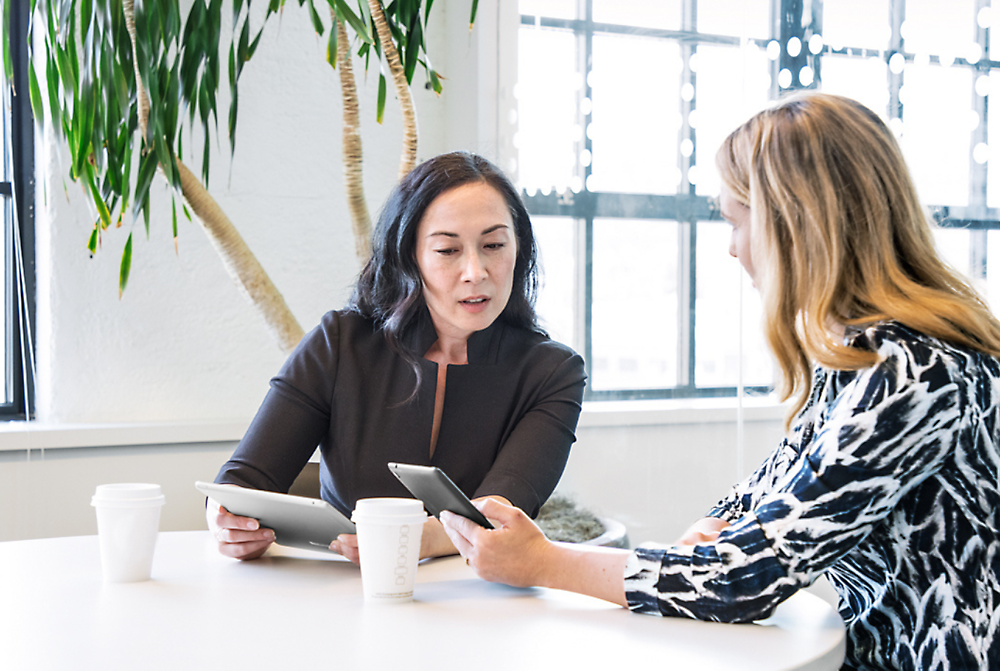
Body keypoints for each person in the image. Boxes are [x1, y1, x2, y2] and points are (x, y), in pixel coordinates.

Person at [440, 93, 1000, 669]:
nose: (732, 249)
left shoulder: (915, 369)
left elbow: (748, 579)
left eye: (736, 222)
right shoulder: (861, 352)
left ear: (796, 225)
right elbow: (779, 490)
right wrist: (719, 524)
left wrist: (543, 562)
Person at [209, 151, 586, 564]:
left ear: (519, 249)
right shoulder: (340, 343)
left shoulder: (553, 372)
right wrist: (225, 523)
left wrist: (419, 540)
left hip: (473, 603)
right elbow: (242, 481)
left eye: (494, 245)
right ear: (410, 257)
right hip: (344, 596)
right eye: (447, 250)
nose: (476, 271)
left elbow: (501, 512)